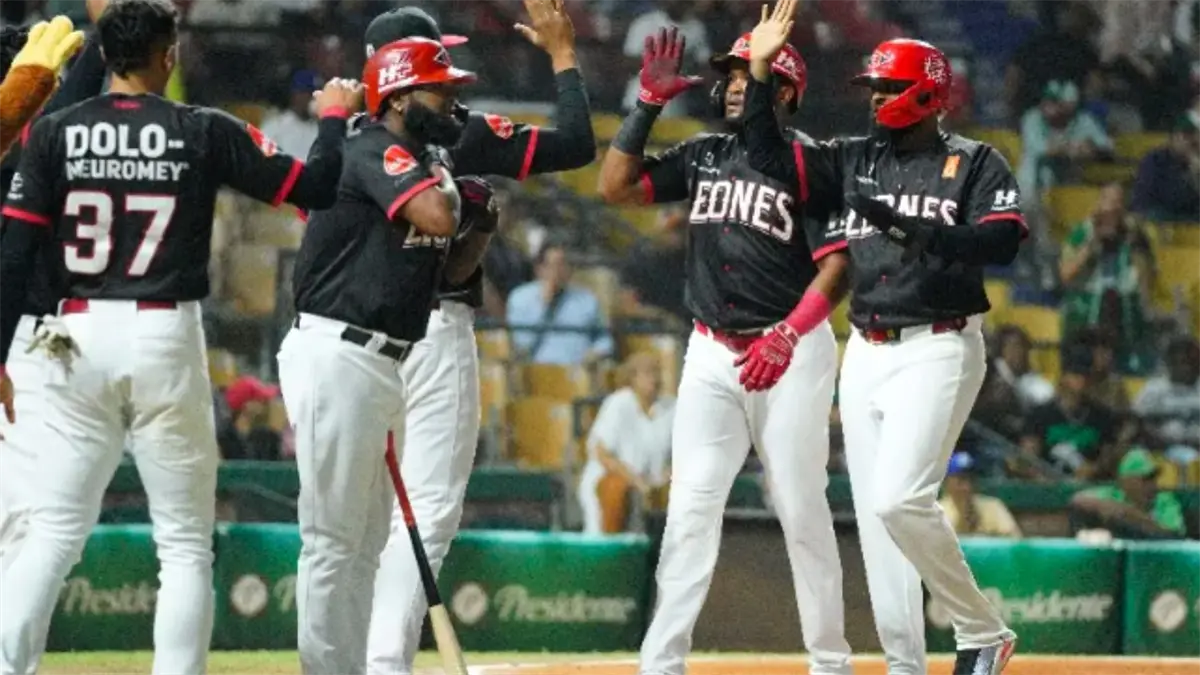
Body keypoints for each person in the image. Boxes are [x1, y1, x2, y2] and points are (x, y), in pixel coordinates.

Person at [0, 0, 358, 671]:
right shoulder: (203, 128)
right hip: (163, 331)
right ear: (167, 56)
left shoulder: (54, 133)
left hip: (72, 335)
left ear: (104, 56)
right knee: (186, 544)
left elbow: (15, 252)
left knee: (50, 529)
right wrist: (332, 119)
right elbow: (316, 186)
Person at [742, 5, 1023, 672]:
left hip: (940, 342)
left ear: (928, 92)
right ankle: (906, 665)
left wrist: (917, 230)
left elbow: (1004, 238)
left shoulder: (975, 161)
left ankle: (982, 628)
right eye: (872, 89)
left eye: (888, 89)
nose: (876, 101)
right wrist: (759, 72)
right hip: (865, 348)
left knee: (901, 497)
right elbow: (767, 155)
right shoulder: (855, 158)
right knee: (877, 518)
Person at [595, 15, 853, 675]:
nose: (736, 85)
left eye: (751, 75)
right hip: (712, 351)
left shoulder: (808, 162)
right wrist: (647, 104)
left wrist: (789, 334)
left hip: (789, 350)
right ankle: (662, 661)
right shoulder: (705, 153)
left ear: (786, 92)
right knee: (690, 505)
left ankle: (829, 660)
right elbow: (615, 187)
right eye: (731, 75)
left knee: (799, 504)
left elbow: (838, 265)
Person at [355, 6, 597, 675]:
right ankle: (382, 660)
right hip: (432, 330)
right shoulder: (464, 133)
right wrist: (563, 58)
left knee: (357, 516)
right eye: (434, 62)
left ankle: (349, 655)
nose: (448, 78)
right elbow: (577, 143)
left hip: (353, 339)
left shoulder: (345, 136)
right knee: (427, 509)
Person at [278, 35, 498, 675]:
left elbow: (448, 266)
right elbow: (434, 214)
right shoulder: (374, 146)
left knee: (365, 544)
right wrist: (461, 202)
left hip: (382, 361)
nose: (454, 99)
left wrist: (479, 224)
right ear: (400, 95)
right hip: (338, 351)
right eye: (441, 88)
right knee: (332, 544)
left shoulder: (416, 156)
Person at [578, 351, 673, 534]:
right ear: (633, 378)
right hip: (611, 480)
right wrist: (635, 480)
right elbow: (602, 453)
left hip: (653, 485)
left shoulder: (672, 407)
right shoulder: (618, 404)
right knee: (615, 489)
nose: (653, 378)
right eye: (647, 373)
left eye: (656, 372)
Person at [506, 239, 614, 365]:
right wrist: (544, 305)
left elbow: (604, 340)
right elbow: (520, 345)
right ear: (539, 268)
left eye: (563, 265)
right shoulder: (520, 298)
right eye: (553, 265)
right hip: (536, 373)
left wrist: (594, 354)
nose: (558, 271)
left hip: (577, 372)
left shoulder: (587, 300)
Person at [1070, 447, 1187, 539]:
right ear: (1126, 482)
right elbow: (1078, 499)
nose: (1152, 484)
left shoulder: (1165, 499)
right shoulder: (1114, 494)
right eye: (1145, 479)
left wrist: (1128, 515)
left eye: (1153, 478)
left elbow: (1171, 535)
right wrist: (1110, 509)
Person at [938, 452, 1022, 539]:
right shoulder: (938, 512)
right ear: (947, 483)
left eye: (971, 479)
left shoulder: (993, 506)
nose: (967, 486)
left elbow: (1014, 541)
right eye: (961, 480)